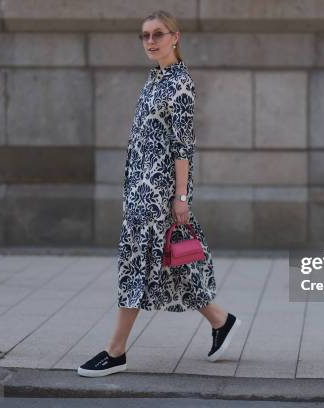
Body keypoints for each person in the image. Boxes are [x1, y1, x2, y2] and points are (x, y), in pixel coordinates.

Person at [77, 10, 241, 377]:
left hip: (158, 193)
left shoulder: (180, 83)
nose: (150, 41)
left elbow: (183, 146)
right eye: (145, 36)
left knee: (136, 264)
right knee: (172, 261)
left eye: (158, 34)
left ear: (175, 37)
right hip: (138, 189)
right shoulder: (153, 81)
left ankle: (115, 350)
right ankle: (221, 320)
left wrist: (181, 197)